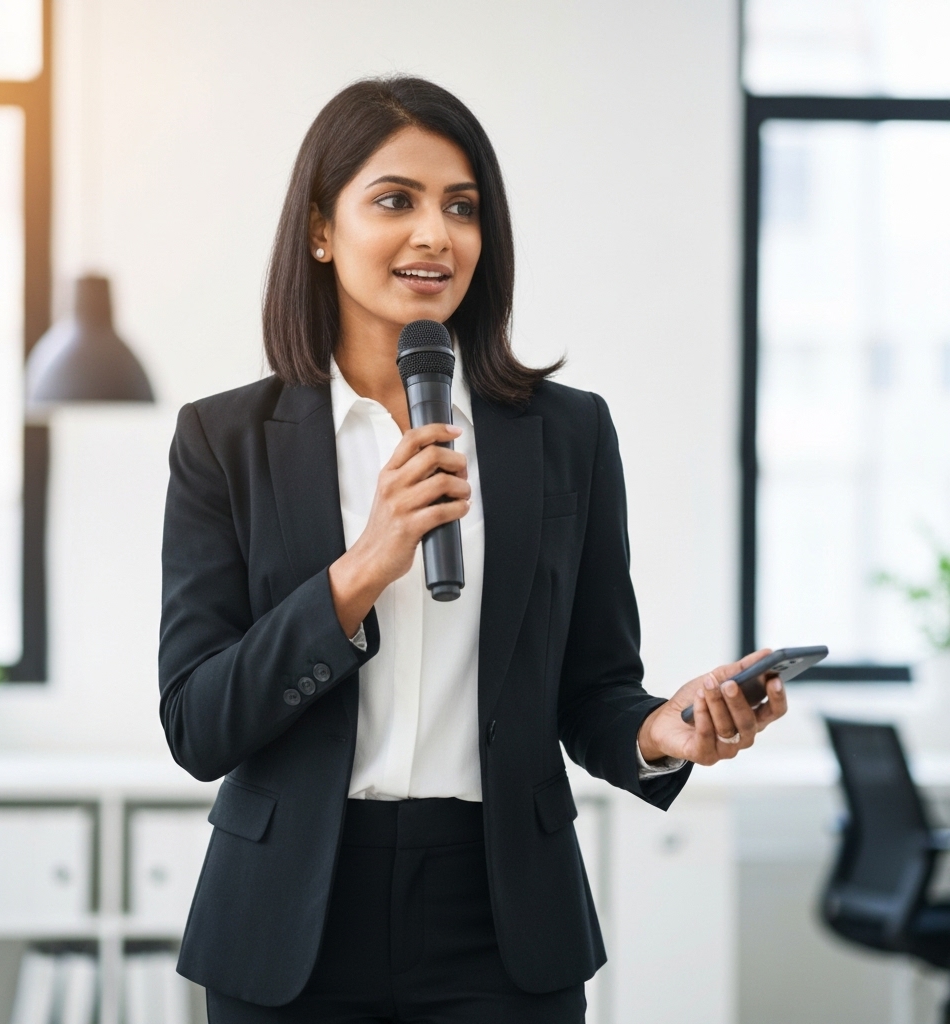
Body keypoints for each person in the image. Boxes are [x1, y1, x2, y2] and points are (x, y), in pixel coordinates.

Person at [158, 76, 787, 1024]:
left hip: (499, 916)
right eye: (394, 200)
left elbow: (593, 688)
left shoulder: (566, 434)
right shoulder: (223, 441)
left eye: (462, 207)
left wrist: (665, 732)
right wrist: (361, 569)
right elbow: (198, 725)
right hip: (290, 917)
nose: (434, 235)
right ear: (321, 231)